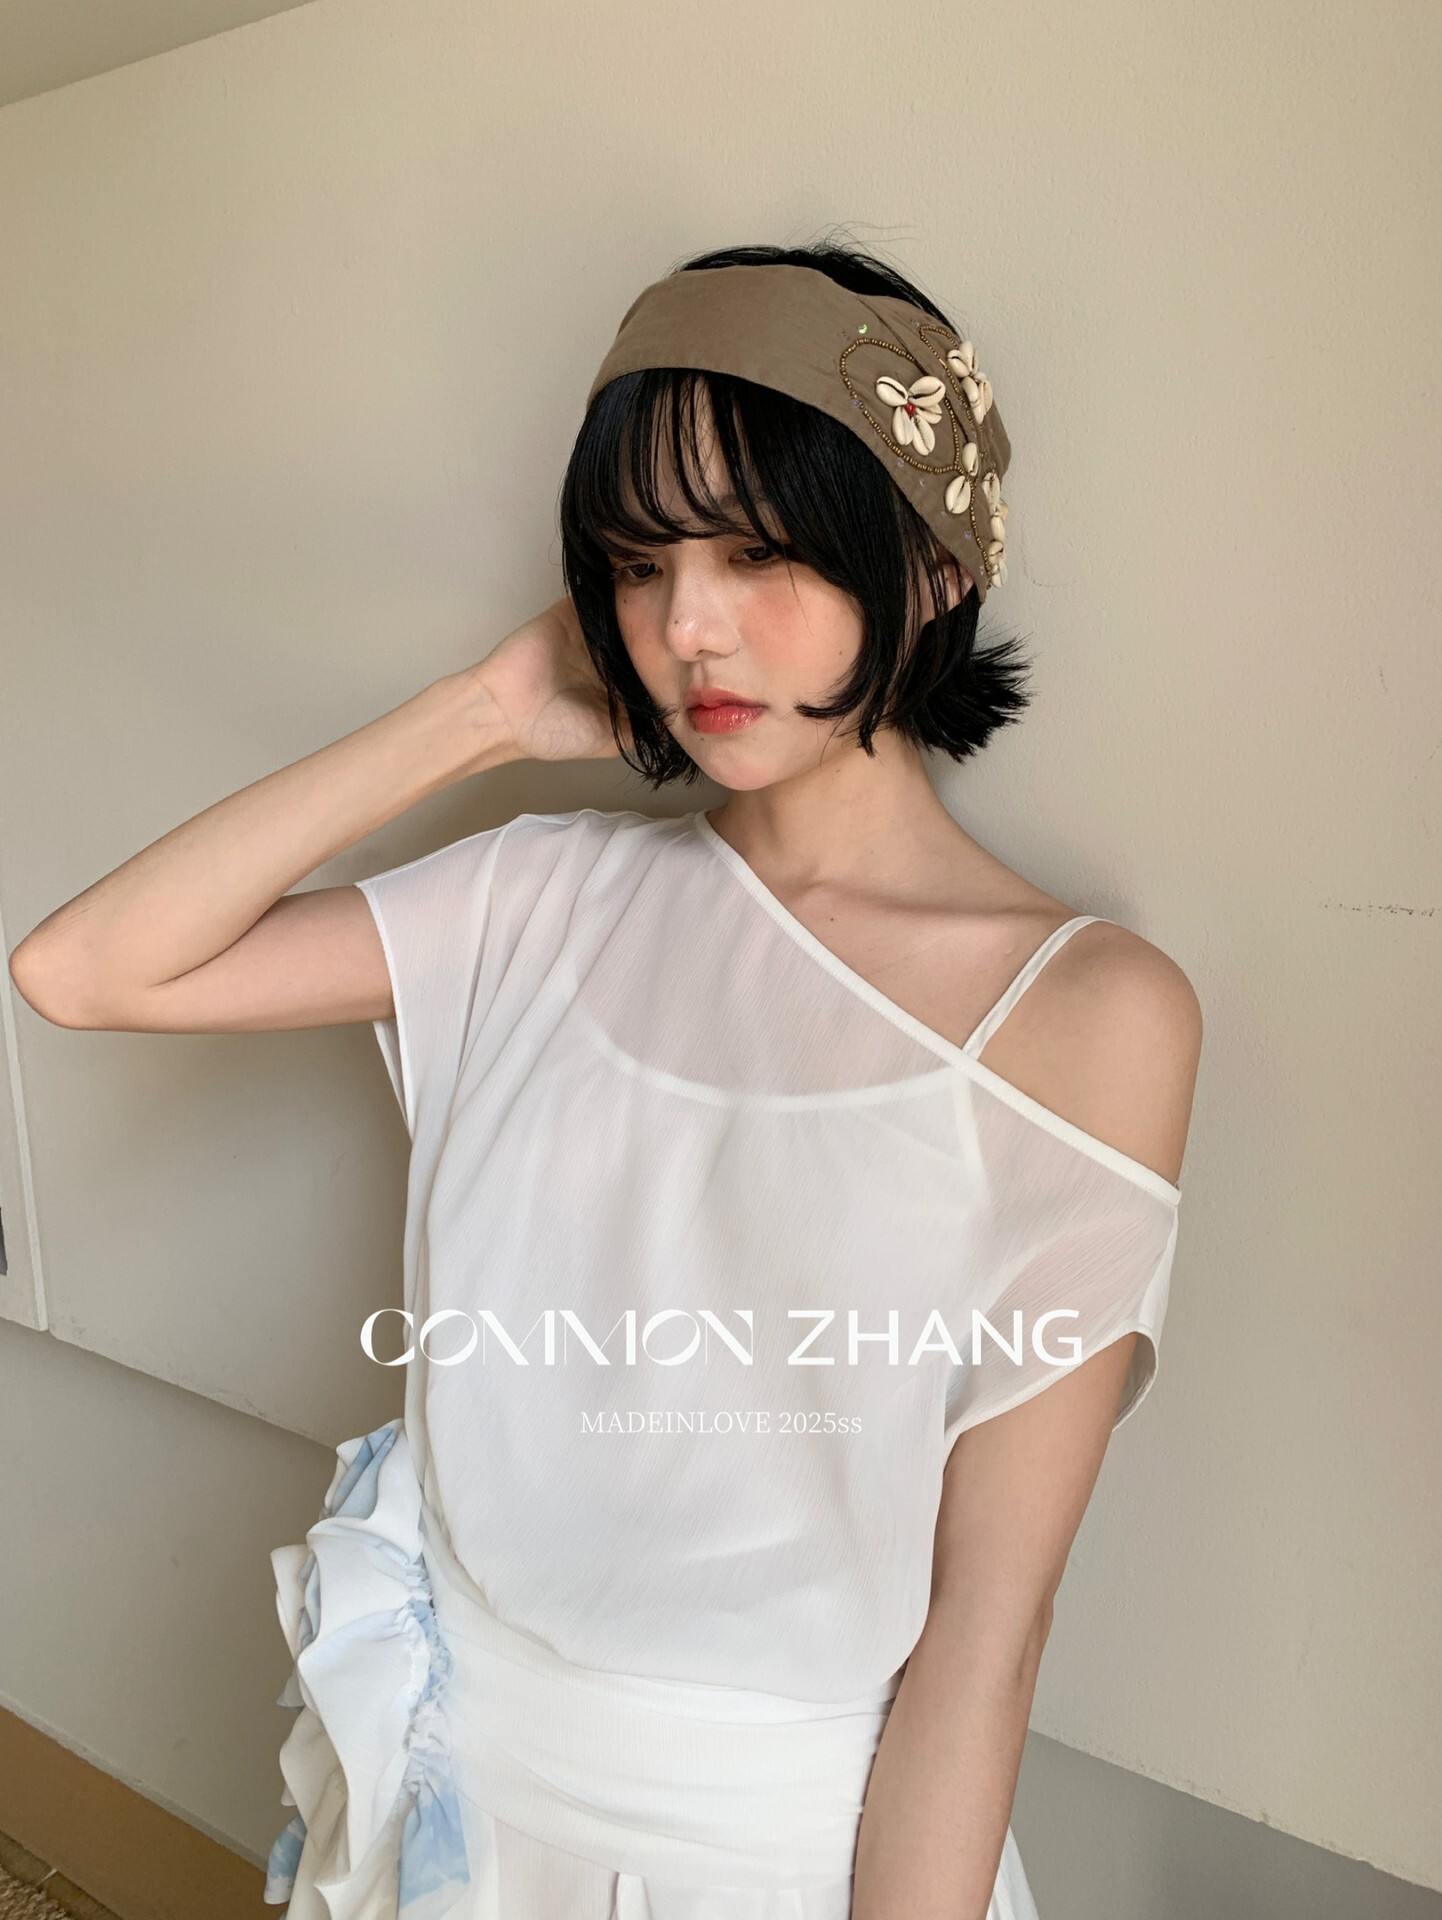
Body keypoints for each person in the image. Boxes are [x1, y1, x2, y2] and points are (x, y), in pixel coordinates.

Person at [8, 240, 1203, 1920]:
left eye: (760, 551)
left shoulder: (1080, 1011)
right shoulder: (540, 893)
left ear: (932, 570)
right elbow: (84, 972)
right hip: (449, 1810)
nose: (686, 626)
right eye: (638, 565)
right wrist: (482, 713)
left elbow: (983, 1638)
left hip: (770, 1861)